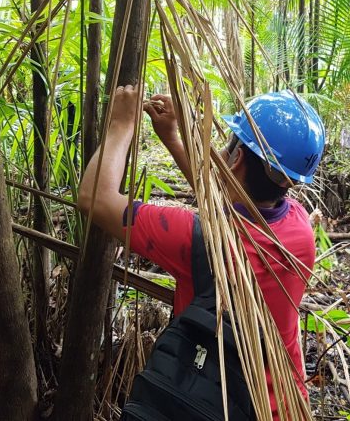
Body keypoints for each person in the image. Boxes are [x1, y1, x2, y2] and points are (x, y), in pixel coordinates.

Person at [77, 85, 325, 418]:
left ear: (236, 158)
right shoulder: (300, 232)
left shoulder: (192, 238)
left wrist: (121, 125)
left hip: (212, 404)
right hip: (282, 408)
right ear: (289, 181)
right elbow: (221, 195)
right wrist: (173, 138)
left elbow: (95, 199)